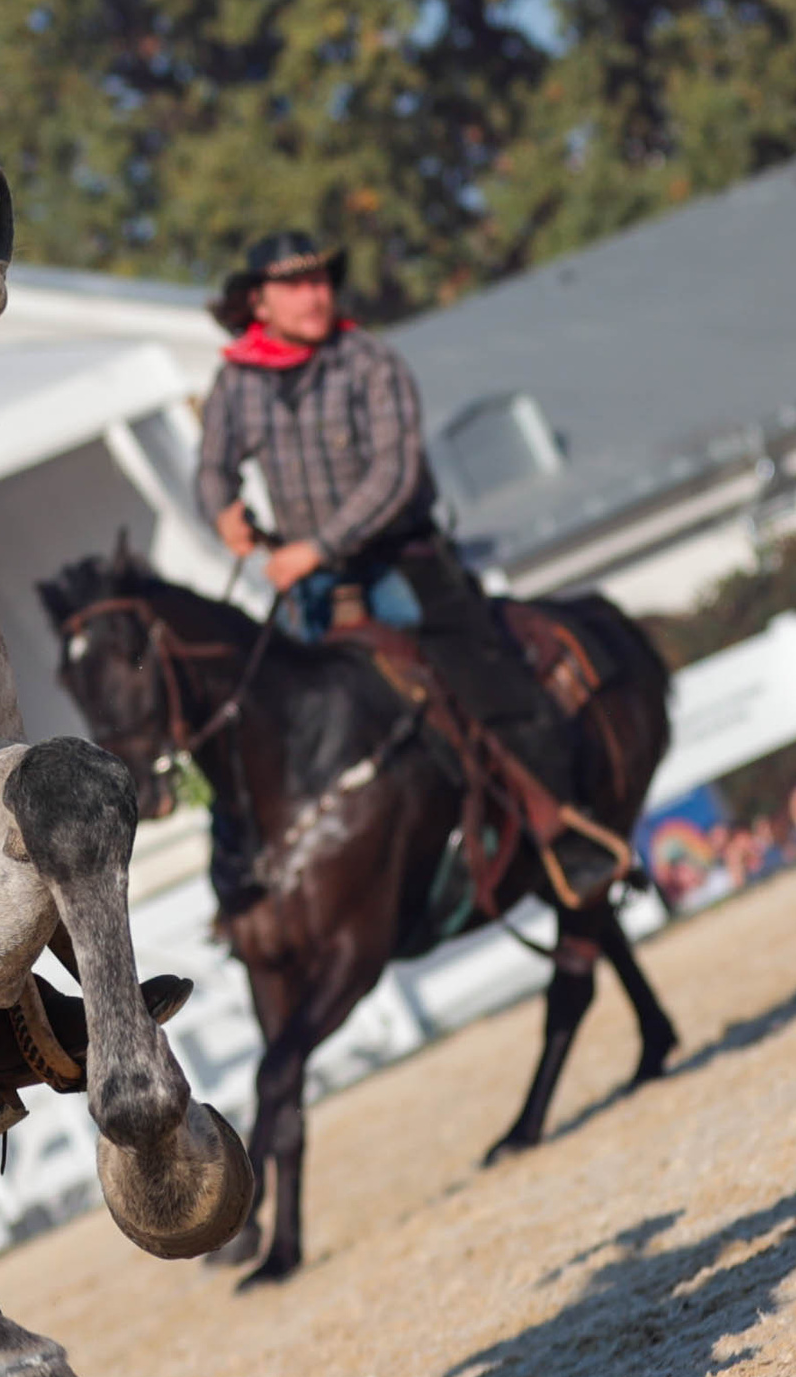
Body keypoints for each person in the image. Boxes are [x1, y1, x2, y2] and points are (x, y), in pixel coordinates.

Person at [194, 228, 578, 906]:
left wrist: (314, 548)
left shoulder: (370, 361)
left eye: (320, 279)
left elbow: (395, 475)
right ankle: (248, 880)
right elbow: (213, 467)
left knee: (484, 679)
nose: (315, 295)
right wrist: (222, 508)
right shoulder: (236, 381)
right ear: (259, 300)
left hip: (400, 557)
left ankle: (562, 823)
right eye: (296, 283)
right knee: (256, 707)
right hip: (308, 580)